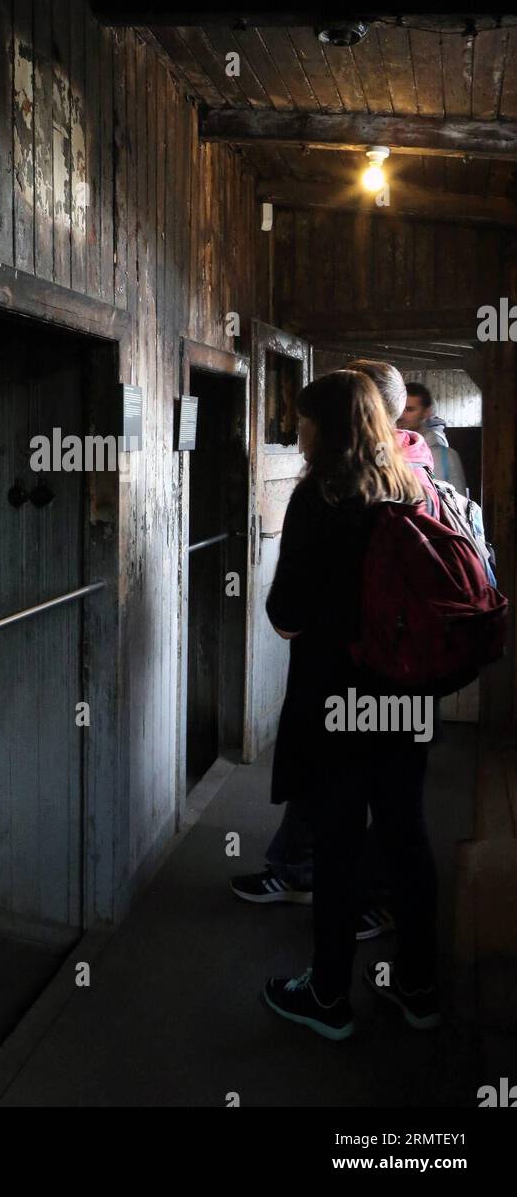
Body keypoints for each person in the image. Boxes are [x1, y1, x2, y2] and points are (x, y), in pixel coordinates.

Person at [260, 371, 441, 1041]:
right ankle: (419, 989)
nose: (298, 428)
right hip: (409, 695)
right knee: (406, 835)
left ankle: (329, 997)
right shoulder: (412, 485)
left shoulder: (321, 495)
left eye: (304, 418)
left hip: (340, 699)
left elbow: (286, 615)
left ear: (326, 426)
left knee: (338, 843)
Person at [398, 382, 468, 496]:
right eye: (400, 409)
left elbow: (458, 506)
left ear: (426, 412)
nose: (401, 415)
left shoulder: (447, 457)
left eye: (410, 409)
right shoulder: (386, 451)